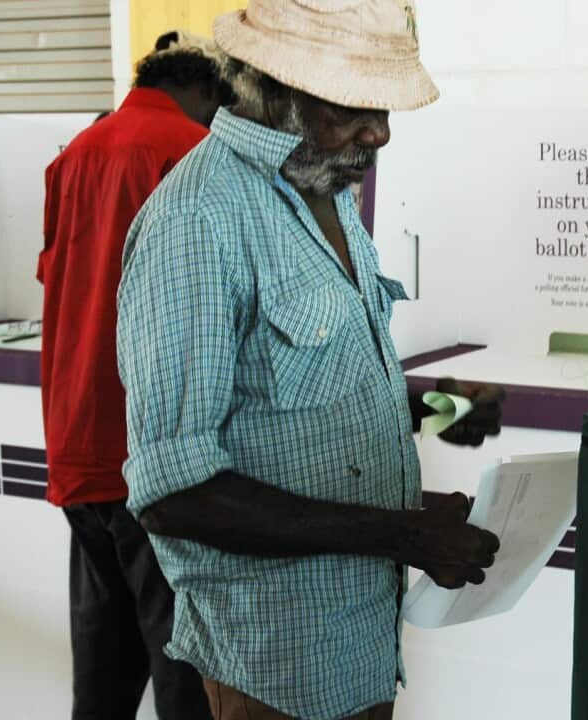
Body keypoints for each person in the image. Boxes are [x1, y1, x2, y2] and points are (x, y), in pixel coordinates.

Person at [115, 2, 505, 719]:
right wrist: (404, 532)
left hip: (355, 643)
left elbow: (302, 396)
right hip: (275, 664)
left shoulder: (326, 186)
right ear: (275, 91)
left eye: (383, 106)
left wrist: (438, 407)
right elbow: (174, 493)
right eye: (354, 106)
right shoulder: (196, 221)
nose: (379, 131)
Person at [37, 30, 234, 720]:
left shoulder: (74, 155)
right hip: (150, 453)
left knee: (102, 673)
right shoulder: (192, 155)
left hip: (74, 440)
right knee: (186, 677)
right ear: (208, 92)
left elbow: (58, 279)